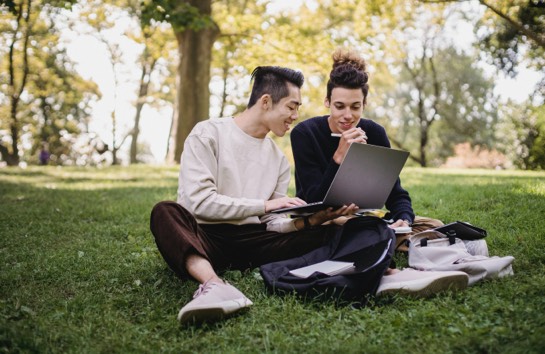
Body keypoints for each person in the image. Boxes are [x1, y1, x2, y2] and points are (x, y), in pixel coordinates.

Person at [150, 66, 359, 325]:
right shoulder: (208, 134)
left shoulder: (278, 159)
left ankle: (377, 269)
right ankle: (214, 285)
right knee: (165, 212)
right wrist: (266, 205)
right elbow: (199, 203)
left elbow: (270, 224)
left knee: (330, 230)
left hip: (254, 241)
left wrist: (312, 221)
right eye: (291, 107)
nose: (295, 116)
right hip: (204, 235)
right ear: (266, 101)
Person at [290, 49, 467, 295]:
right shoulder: (305, 134)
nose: (347, 116)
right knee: (350, 226)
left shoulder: (374, 133)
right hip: (329, 221)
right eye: (339, 106)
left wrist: (404, 217)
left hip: (370, 219)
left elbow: (396, 193)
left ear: (365, 104)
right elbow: (312, 199)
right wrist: (339, 158)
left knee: (432, 224)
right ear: (327, 102)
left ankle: (397, 241)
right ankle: (398, 255)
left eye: (355, 106)